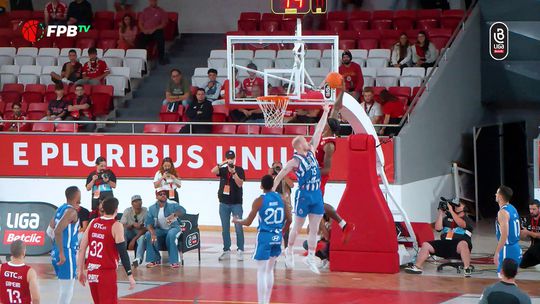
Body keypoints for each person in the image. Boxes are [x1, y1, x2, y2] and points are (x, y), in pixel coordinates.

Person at [272, 103, 331, 274]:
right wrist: (274, 186)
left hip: (316, 194)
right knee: (297, 227)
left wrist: (325, 112)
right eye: (304, 141)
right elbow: (282, 173)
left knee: (314, 228)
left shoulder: (312, 150)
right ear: (299, 146)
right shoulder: (295, 161)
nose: (308, 141)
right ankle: (289, 250)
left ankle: (311, 257)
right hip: (304, 195)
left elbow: (319, 130)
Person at [233, 175, 292, 304]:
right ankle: (267, 300)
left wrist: (237, 221)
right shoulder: (282, 198)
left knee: (261, 272)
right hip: (277, 237)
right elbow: (290, 220)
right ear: (272, 185)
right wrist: (281, 231)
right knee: (270, 270)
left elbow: (248, 222)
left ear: (261, 186)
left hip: (265, 236)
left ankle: (262, 302)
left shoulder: (259, 200)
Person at [77, 197, 136, 303]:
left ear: (102, 209)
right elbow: (123, 253)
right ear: (116, 210)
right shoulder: (116, 225)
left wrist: (80, 271)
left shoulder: (93, 222)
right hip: (106, 273)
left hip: (92, 273)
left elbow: (82, 249)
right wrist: (130, 275)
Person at [316, 86, 355, 243]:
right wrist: (342, 89)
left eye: (326, 123)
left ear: (329, 128)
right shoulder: (327, 129)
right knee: (315, 208)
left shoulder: (329, 145)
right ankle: (336, 231)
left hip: (319, 177)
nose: (324, 123)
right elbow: (337, 107)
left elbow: (327, 170)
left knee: (316, 206)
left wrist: (311, 171)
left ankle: (330, 236)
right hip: (315, 175)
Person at [404, 200, 474, 276]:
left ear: (465, 208)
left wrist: (451, 210)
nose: (456, 206)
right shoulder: (447, 219)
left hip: (459, 246)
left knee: (463, 243)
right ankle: (417, 266)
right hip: (445, 244)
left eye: (459, 205)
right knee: (426, 244)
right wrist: (440, 213)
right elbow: (438, 228)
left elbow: (462, 224)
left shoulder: (467, 220)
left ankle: (467, 268)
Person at [211, 150, 246, 261]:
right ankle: (226, 250)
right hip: (224, 203)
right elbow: (213, 171)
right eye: (228, 158)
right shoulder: (223, 169)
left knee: (238, 227)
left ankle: (240, 250)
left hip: (236, 203)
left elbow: (240, 184)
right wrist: (223, 163)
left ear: (235, 158)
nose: (230, 160)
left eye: (231, 158)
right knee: (225, 228)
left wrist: (234, 172)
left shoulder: (239, 170)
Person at [48, 186, 80, 304]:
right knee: (67, 290)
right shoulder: (71, 212)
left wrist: (56, 248)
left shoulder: (60, 209)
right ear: (76, 196)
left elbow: (49, 231)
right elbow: (57, 231)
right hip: (66, 254)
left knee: (64, 288)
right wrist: (61, 252)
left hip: (57, 252)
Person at [144, 189, 186, 268]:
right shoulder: (152, 208)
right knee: (148, 234)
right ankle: (155, 260)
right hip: (160, 230)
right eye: (160, 194)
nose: (163, 195)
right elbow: (148, 223)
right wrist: (153, 233)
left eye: (164, 194)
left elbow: (183, 211)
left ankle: (174, 261)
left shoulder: (172, 204)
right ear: (156, 196)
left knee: (171, 234)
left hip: (174, 228)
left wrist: (174, 215)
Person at [494, 185, 522, 274]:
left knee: (503, 279)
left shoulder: (502, 212)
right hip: (516, 247)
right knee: (510, 280)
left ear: (501, 196)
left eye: (497, 193)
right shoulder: (512, 208)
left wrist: (497, 252)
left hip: (507, 249)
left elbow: (504, 235)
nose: (495, 194)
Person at [269, 161, 294, 248]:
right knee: (273, 228)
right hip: (273, 207)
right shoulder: (271, 178)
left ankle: (287, 248)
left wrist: (282, 174)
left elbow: (292, 185)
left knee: (286, 229)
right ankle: (274, 248)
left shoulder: (285, 177)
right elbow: (263, 187)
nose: (278, 170)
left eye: (279, 167)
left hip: (285, 206)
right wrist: (271, 176)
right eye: (276, 168)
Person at [138, 0, 169, 65]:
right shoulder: (145, 10)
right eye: (151, 1)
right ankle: (143, 59)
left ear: (156, 1)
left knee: (160, 37)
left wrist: (154, 29)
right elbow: (140, 23)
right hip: (146, 31)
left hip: (156, 31)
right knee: (139, 39)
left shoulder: (161, 11)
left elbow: (163, 24)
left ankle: (161, 58)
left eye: (154, 1)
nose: (153, 2)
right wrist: (143, 30)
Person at [121, 195, 148, 267]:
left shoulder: (145, 210)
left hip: (139, 233)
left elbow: (146, 228)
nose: (138, 203)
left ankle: (138, 259)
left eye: (139, 200)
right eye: (135, 201)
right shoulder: (127, 211)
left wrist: (134, 240)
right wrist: (132, 225)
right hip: (129, 232)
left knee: (142, 237)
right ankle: (122, 258)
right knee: (123, 233)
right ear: (132, 203)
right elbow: (122, 225)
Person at [520, 199, 540, 268]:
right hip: (533, 247)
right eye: (530, 209)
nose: (531, 211)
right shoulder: (527, 218)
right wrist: (521, 232)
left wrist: (528, 232)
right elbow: (523, 237)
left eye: (534, 209)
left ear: (539, 208)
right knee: (522, 264)